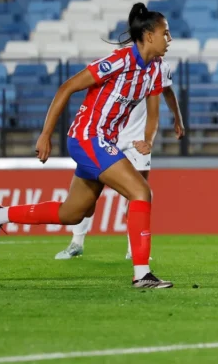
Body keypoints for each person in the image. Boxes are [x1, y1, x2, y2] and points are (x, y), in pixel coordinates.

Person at [0, 3, 175, 289]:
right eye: (165, 33)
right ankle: (142, 274)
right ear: (147, 35)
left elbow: (158, 106)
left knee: (72, 213)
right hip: (88, 137)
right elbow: (66, 87)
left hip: (103, 140)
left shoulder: (155, 70)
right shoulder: (118, 61)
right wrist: (46, 134)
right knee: (141, 191)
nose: (169, 39)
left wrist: (152, 136)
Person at [55, 67, 185, 260]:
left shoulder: (159, 67)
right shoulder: (121, 63)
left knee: (139, 192)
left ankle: (134, 250)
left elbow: (167, 92)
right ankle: (77, 242)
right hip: (105, 137)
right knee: (88, 196)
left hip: (136, 140)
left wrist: (177, 118)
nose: (167, 40)